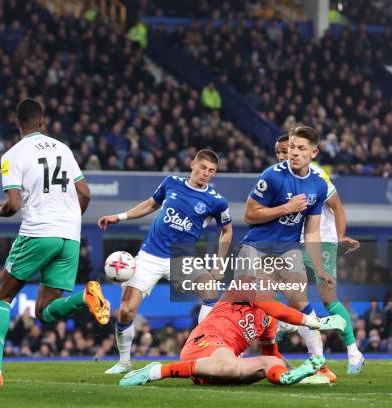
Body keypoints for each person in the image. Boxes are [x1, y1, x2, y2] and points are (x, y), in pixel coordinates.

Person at [0, 99, 109, 386]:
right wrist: (68, 220)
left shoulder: (12, 155)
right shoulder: (64, 149)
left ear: (17, 122)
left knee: (3, 298)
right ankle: (85, 297)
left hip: (38, 232)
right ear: (42, 121)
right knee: (44, 312)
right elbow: (85, 193)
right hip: (69, 236)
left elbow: (13, 204)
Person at [98, 149, 233, 374]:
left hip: (181, 259)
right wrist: (119, 217)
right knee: (125, 311)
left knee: (211, 292)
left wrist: (219, 264)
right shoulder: (171, 183)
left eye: (211, 171)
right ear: (192, 165)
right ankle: (124, 362)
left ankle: (204, 352)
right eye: (202, 168)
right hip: (150, 255)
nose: (205, 174)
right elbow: (150, 204)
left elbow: (226, 231)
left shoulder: (216, 201)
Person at [118, 277, 346, 387]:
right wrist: (315, 322)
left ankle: (287, 379)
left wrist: (287, 367)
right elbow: (278, 310)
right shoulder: (246, 285)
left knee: (267, 365)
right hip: (205, 343)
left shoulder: (268, 320)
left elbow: (271, 353)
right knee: (230, 366)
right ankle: (157, 371)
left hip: (222, 359)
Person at [240, 126, 335, 379]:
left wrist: (320, 267)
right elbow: (249, 215)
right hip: (256, 248)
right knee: (254, 305)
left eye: (301, 149)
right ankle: (236, 358)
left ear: (313, 152)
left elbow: (312, 232)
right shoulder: (272, 176)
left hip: (288, 249)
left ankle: (320, 364)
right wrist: (286, 208)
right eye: (292, 147)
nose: (294, 153)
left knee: (300, 300)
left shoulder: (318, 184)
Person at [274, 134, 365, 378]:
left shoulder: (316, 175)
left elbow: (337, 207)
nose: (284, 156)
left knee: (328, 299)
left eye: (288, 150)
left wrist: (341, 235)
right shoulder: (279, 174)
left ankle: (353, 351)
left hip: (322, 240)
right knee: (290, 288)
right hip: (295, 240)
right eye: (281, 152)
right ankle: (287, 323)